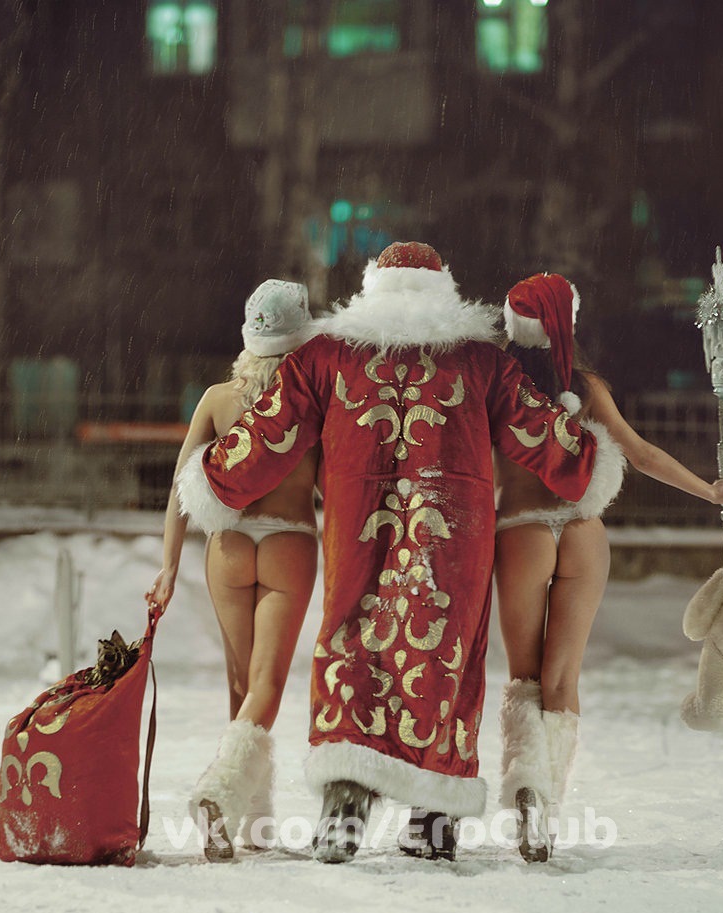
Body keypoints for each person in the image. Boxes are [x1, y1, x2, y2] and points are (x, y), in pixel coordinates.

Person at [176, 242, 620, 864]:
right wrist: (590, 460)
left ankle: (344, 805)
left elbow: (270, 432)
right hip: (451, 541)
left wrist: (213, 476)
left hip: (360, 535)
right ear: (443, 289)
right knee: (443, 654)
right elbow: (539, 433)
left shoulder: (327, 356)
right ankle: (434, 819)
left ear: (372, 290)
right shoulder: (480, 361)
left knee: (354, 649)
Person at [494, 272, 723, 862]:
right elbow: (642, 454)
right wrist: (711, 491)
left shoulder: (492, 385)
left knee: (525, 676)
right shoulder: (584, 387)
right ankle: (547, 803)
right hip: (583, 531)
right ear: (568, 324)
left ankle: (526, 784)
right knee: (563, 678)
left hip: (523, 530)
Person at [146, 279, 319, 862]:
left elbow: (182, 486)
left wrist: (169, 566)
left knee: (241, 684)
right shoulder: (314, 403)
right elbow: (340, 488)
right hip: (289, 542)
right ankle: (221, 793)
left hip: (228, 547)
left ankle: (252, 823)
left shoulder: (218, 400)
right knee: (266, 686)